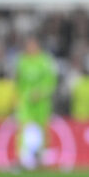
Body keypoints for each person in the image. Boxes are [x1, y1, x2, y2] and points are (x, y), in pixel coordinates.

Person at [14, 37, 58, 169]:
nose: (31, 48)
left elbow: (51, 82)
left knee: (42, 129)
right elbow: (18, 82)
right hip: (26, 102)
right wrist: (18, 97)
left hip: (41, 103)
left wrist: (41, 93)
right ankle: (23, 158)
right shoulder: (22, 61)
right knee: (24, 128)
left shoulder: (45, 61)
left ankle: (41, 158)